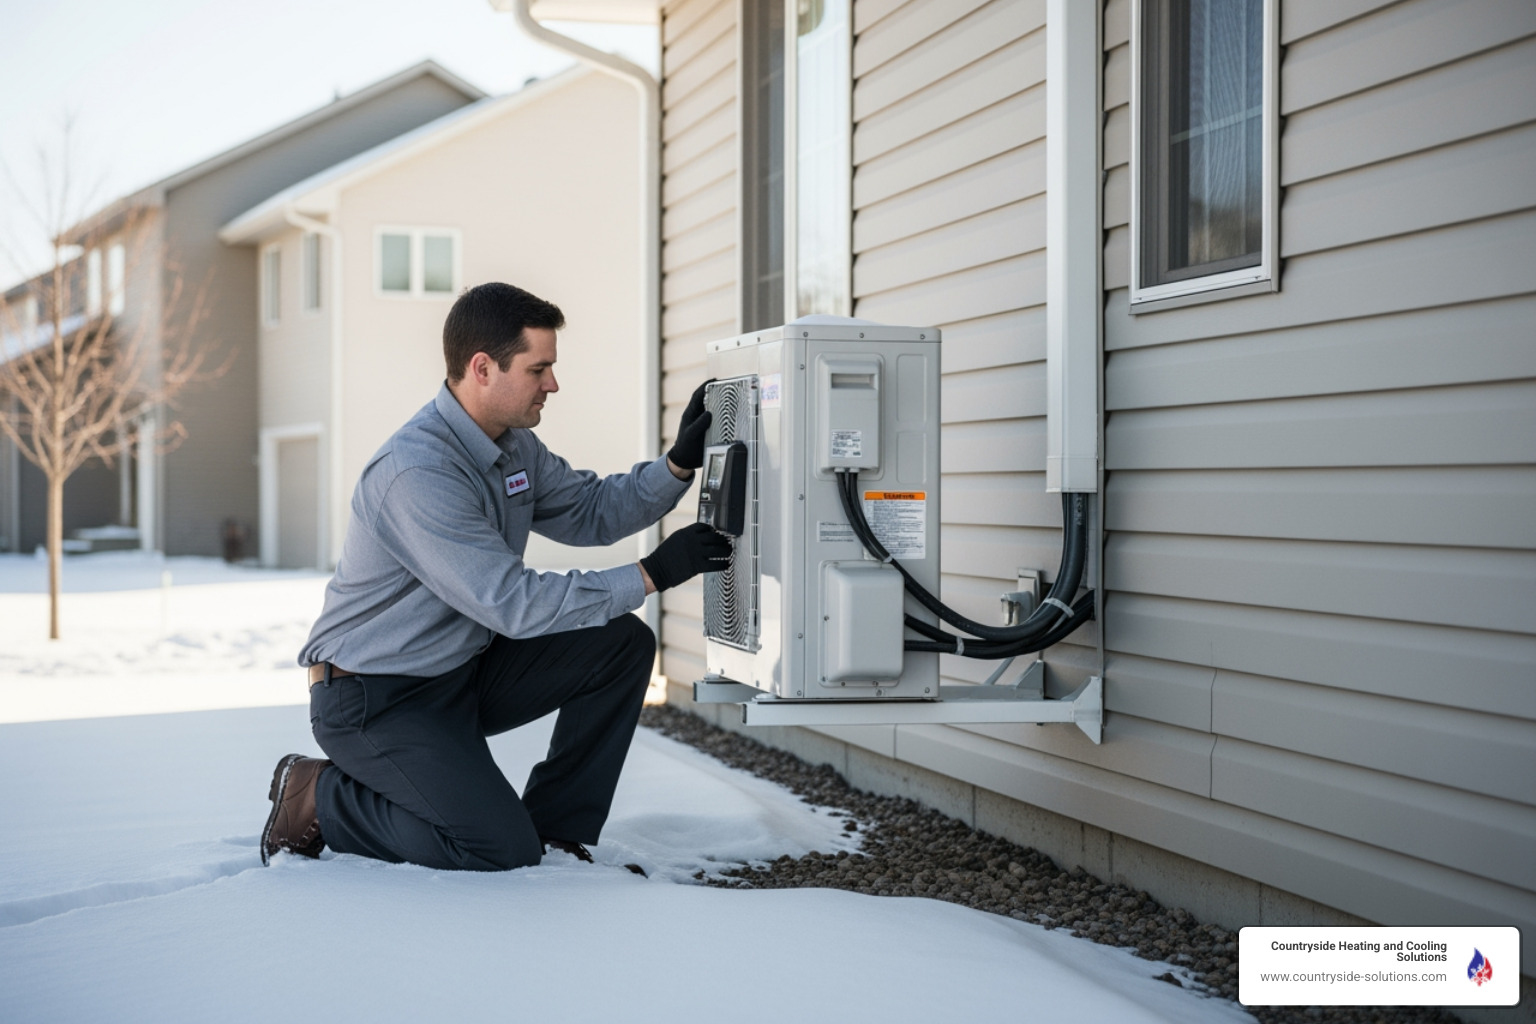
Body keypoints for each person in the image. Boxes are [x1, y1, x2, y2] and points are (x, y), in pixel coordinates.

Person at [260, 282, 730, 871]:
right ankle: (319, 797)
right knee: (494, 847)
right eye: (540, 369)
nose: (552, 384)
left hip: (460, 671)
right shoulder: (416, 473)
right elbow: (510, 602)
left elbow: (591, 510)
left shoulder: (513, 447)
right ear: (482, 368)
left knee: (620, 645)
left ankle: (558, 832)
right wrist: (652, 574)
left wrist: (677, 465)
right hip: (374, 696)